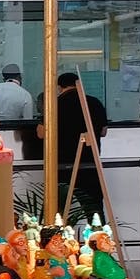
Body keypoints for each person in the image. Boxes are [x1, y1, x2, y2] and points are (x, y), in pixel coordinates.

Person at [37, 71, 107, 220]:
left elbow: (41, 134)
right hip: (89, 163)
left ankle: (54, 234)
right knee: (94, 211)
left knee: (56, 211)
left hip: (62, 165)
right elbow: (103, 132)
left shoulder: (54, 104)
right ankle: (99, 233)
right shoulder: (94, 102)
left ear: (59, 87)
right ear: (79, 84)